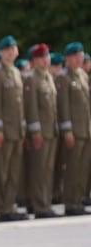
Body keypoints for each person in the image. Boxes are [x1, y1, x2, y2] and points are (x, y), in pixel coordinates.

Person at [0, 35, 27, 221]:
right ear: (1, 53)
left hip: (17, 130)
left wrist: (23, 128)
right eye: (7, 49)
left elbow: (20, 104)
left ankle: (10, 206)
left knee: (13, 171)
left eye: (13, 48)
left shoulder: (16, 73)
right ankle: (1, 209)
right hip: (4, 130)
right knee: (1, 171)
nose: (11, 52)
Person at [22, 44, 59, 218]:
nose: (46, 60)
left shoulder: (48, 77)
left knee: (47, 170)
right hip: (40, 132)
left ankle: (46, 203)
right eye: (42, 57)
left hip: (51, 130)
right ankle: (40, 206)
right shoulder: (31, 78)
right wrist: (35, 132)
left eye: (47, 57)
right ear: (35, 60)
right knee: (39, 170)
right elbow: (31, 108)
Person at [55, 42, 91, 215]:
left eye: (81, 55)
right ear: (67, 58)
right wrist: (67, 130)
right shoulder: (64, 77)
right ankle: (70, 203)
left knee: (82, 169)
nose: (79, 58)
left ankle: (78, 200)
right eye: (75, 55)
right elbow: (64, 107)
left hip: (85, 130)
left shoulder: (83, 76)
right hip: (74, 131)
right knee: (73, 168)